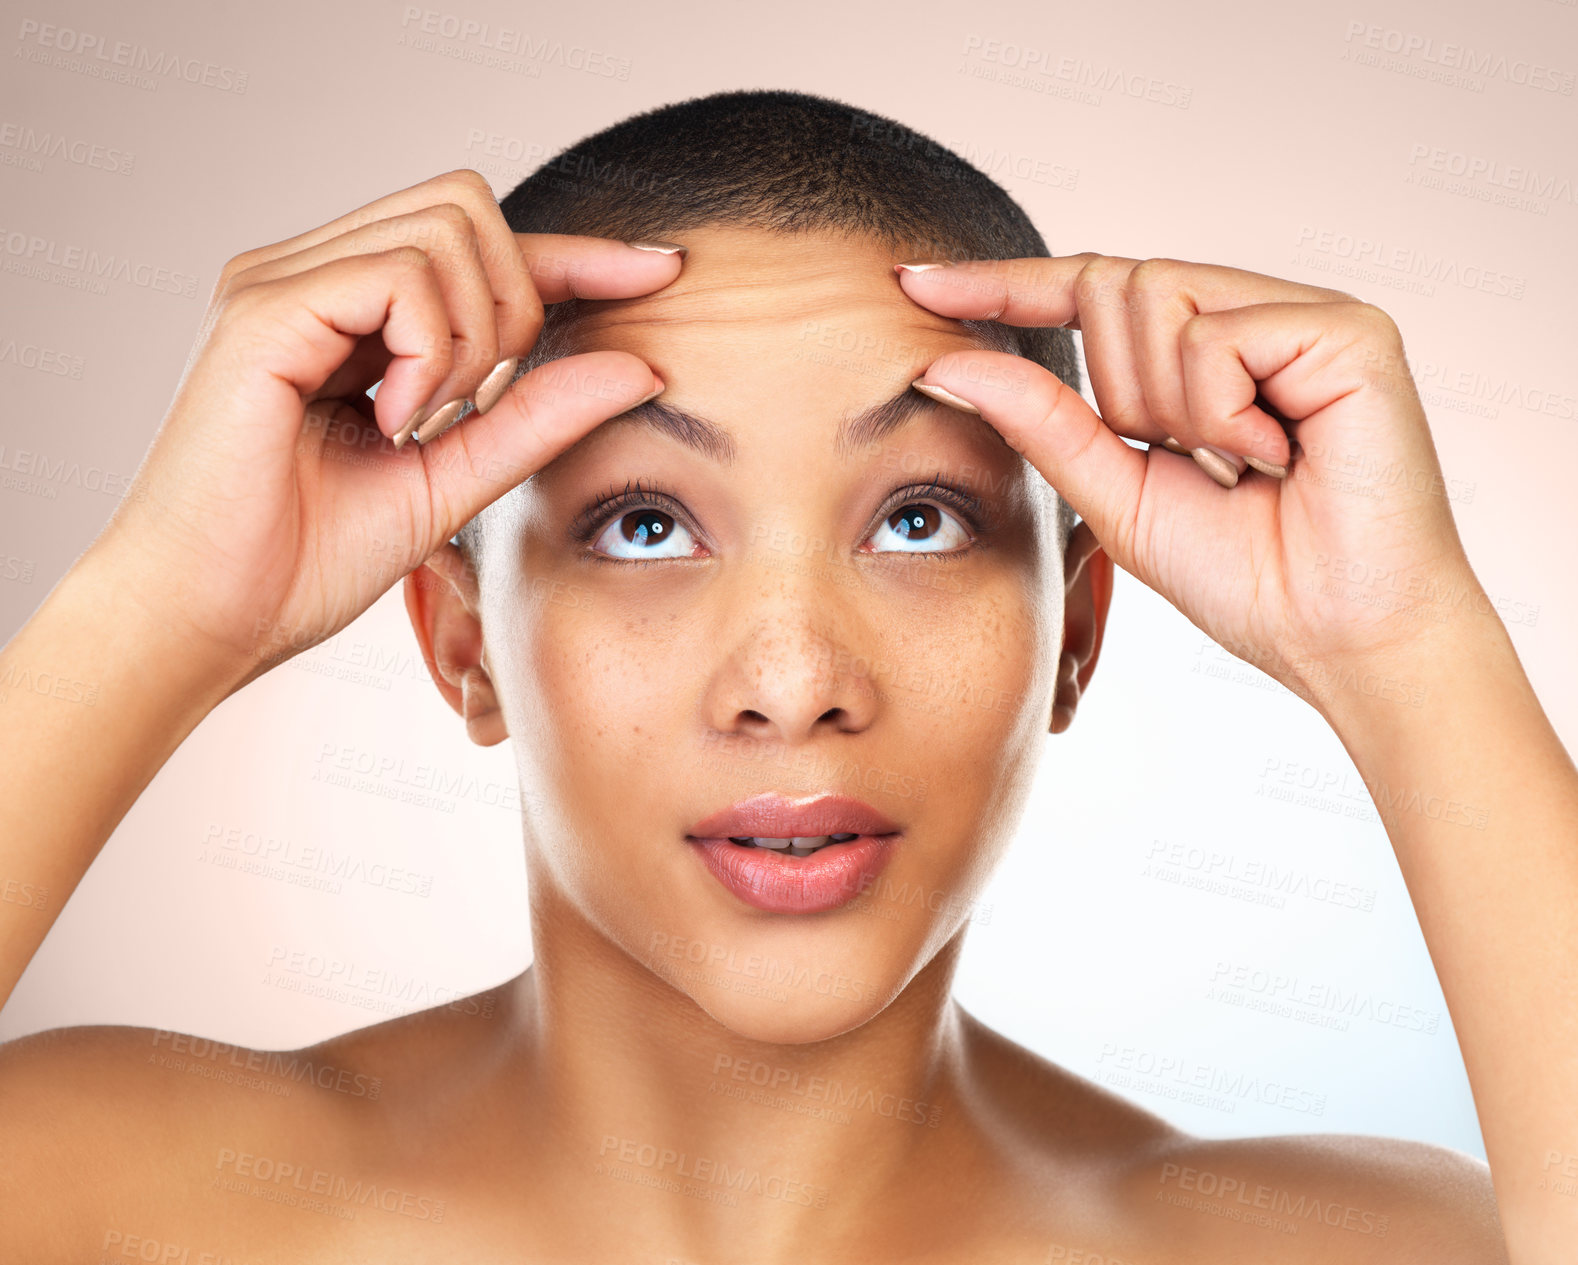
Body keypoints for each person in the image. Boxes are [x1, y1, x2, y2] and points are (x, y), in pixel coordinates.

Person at [0, 87, 1568, 1262]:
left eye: (915, 515)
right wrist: (158, 608)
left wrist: (1405, 645)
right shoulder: (106, 1189)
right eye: (640, 522)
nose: (792, 679)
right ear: (460, 638)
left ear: (1074, 634)